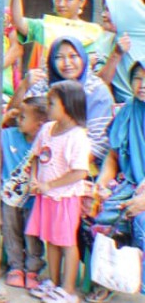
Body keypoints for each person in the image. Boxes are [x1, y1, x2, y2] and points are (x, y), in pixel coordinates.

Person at [25, 81, 90, 303]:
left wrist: (50, 185)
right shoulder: (46, 129)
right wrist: (35, 179)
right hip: (46, 196)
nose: (47, 107)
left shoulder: (77, 136)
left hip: (65, 198)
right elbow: (35, 156)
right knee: (50, 239)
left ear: (68, 106)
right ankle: (53, 282)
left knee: (67, 242)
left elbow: (80, 172)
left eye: (52, 103)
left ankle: (69, 289)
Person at [89, 61, 145, 303]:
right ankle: (105, 278)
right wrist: (101, 183)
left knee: (141, 222)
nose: (141, 85)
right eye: (137, 78)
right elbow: (113, 155)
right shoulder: (129, 110)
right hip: (131, 183)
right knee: (100, 215)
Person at [12, 36, 113, 166]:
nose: (67, 63)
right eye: (59, 57)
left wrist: (59, 167)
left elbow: (98, 143)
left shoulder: (97, 91)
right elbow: (19, 119)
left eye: (73, 56)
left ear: (83, 58)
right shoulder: (43, 85)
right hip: (34, 156)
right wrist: (23, 86)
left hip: (78, 164)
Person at [1, 96, 48, 291]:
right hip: (9, 197)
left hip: (33, 199)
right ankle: (16, 266)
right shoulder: (9, 135)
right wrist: (5, 118)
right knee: (10, 231)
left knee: (32, 234)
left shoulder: (46, 143)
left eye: (22, 117)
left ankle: (33, 269)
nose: (17, 119)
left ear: (39, 125)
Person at [11, 0, 99, 70]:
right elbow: (18, 22)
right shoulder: (45, 26)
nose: (61, 4)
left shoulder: (93, 31)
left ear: (82, 2)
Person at [98, 0, 145, 103]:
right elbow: (99, 85)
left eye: (108, 10)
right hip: (124, 112)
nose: (103, 15)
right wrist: (116, 55)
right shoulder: (106, 42)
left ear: (125, 13)